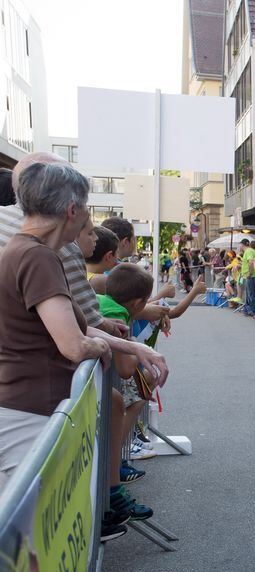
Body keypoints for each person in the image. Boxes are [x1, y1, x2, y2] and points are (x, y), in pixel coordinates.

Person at [0, 161, 168, 537]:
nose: (88, 221)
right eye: (87, 210)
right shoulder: (38, 256)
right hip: (31, 412)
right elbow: (74, 343)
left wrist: (132, 347)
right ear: (71, 210)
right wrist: (103, 347)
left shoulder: (27, 250)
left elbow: (74, 325)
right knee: (33, 541)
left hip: (28, 407)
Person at [97, 263, 160, 523]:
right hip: (105, 393)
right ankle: (113, 493)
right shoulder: (119, 313)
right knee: (133, 394)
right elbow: (125, 369)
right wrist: (136, 348)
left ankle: (114, 479)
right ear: (137, 303)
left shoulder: (102, 300)